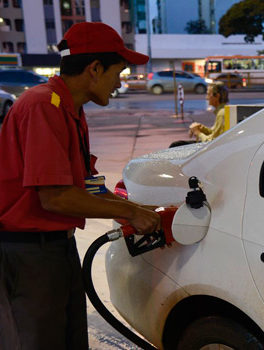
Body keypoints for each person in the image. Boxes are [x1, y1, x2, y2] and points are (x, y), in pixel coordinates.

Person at [0, 22, 161, 350]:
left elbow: (87, 183)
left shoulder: (70, 109)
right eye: (120, 71)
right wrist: (129, 211)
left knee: (70, 338)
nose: (120, 82)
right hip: (28, 254)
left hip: (56, 248)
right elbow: (56, 198)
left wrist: (142, 212)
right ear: (95, 69)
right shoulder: (43, 105)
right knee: (40, 341)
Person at [169, 82, 229, 148]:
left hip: (214, 148)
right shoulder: (222, 111)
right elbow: (214, 133)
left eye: (208, 94)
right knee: (178, 144)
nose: (207, 98)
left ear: (217, 96)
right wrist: (202, 128)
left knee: (176, 145)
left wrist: (198, 133)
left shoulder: (222, 113)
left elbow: (212, 142)